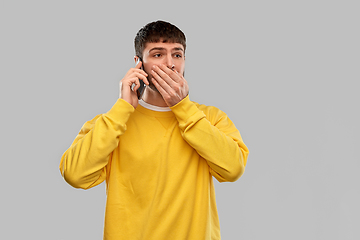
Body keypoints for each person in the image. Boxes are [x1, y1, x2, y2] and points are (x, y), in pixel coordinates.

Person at [60, 20, 249, 240]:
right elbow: (75, 175)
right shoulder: (112, 123)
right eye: (158, 54)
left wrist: (183, 107)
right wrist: (122, 108)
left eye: (177, 55)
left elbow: (234, 169)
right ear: (138, 63)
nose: (170, 64)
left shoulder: (211, 118)